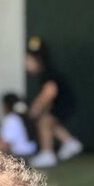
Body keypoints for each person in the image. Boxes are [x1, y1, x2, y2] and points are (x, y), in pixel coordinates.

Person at [25, 36, 83, 169]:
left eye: (28, 59)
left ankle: (47, 154)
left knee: (44, 122)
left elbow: (50, 92)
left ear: (38, 60)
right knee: (50, 122)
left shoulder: (47, 73)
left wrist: (36, 108)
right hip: (64, 104)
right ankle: (70, 142)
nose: (26, 63)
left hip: (63, 104)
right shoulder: (45, 73)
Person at [0, 93, 39, 159]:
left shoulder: (10, 119)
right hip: (33, 152)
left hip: (20, 155)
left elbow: (6, 144)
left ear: (6, 106)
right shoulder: (25, 116)